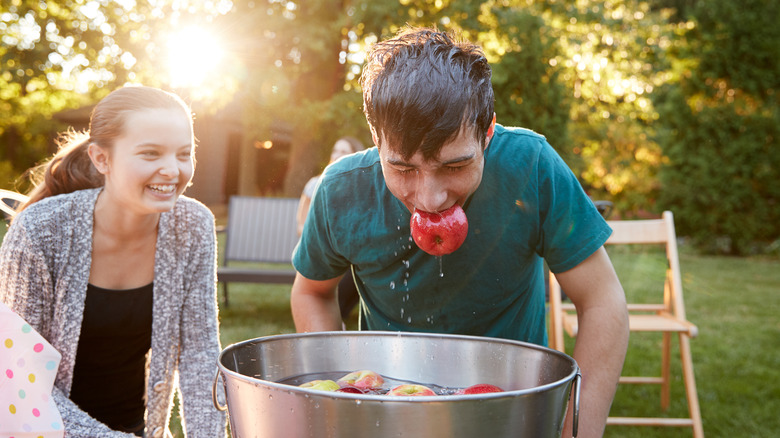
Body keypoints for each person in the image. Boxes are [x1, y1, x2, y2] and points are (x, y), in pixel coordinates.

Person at [290, 27, 629, 437]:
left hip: (510, 406)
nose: (430, 198)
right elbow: (311, 292)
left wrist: (576, 429)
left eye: (454, 166)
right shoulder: (341, 190)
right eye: (403, 168)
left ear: (487, 134)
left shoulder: (532, 165)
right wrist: (344, 398)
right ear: (376, 140)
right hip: (389, 413)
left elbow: (602, 301)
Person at [0, 86, 226, 437]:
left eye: (184, 154)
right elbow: (19, 378)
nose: (172, 170)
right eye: (150, 154)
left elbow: (200, 354)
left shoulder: (192, 225)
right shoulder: (41, 231)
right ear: (101, 159)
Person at [296, 136, 365, 322]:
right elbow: (301, 225)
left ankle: (339, 317)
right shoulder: (316, 183)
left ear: (354, 155)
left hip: (351, 252)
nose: (337, 154)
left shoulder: (362, 187)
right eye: (335, 150)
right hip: (320, 248)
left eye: (344, 151)